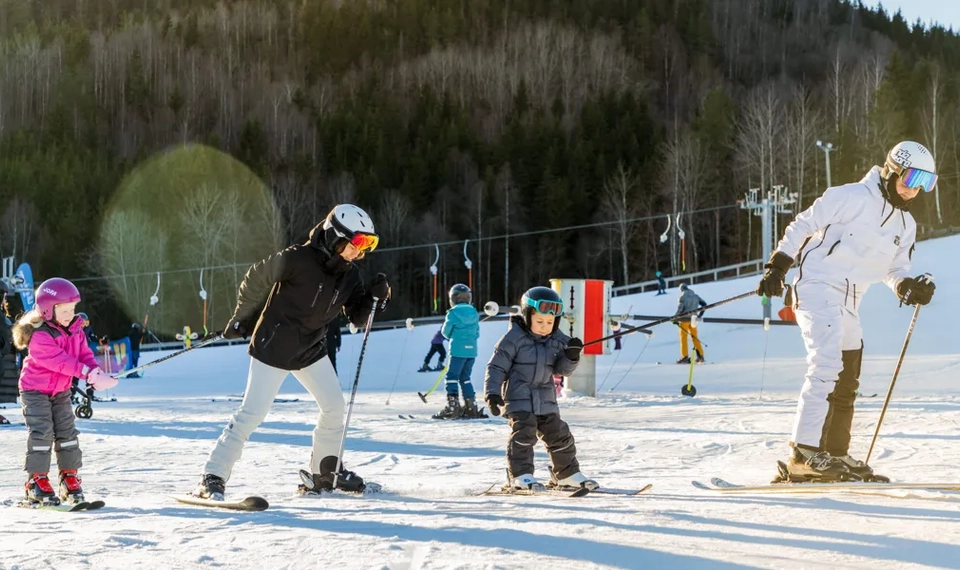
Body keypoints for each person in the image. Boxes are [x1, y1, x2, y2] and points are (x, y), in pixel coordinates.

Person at [756, 141, 936, 482]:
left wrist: (907, 287)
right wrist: (778, 266)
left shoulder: (905, 225)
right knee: (826, 363)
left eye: (925, 183)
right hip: (817, 286)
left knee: (848, 375)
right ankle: (803, 452)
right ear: (891, 169)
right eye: (910, 178)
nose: (914, 190)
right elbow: (802, 225)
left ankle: (835, 453)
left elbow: (894, 269)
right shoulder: (850, 196)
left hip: (851, 299)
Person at [193, 204, 391, 500]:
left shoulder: (349, 276)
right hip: (274, 346)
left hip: (310, 349)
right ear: (336, 237)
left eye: (368, 245)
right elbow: (255, 277)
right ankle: (213, 477)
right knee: (252, 413)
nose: (361, 252)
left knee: (334, 407)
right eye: (358, 243)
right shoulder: (298, 258)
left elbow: (357, 318)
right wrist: (241, 317)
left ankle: (325, 474)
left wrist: (378, 299)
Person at [13, 278, 118, 505]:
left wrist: (96, 372)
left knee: (67, 433)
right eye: (64, 310)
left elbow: (84, 355)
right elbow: (60, 362)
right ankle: (36, 480)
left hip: (60, 392)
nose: (70, 314)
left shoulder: (76, 331)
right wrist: (84, 373)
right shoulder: (40, 335)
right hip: (35, 391)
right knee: (42, 433)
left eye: (72, 309)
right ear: (48, 310)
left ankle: (68, 476)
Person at [484, 286, 595, 491]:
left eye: (550, 322)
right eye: (540, 321)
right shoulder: (512, 340)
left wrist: (572, 356)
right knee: (524, 434)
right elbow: (496, 366)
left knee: (559, 434)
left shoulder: (557, 340)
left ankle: (566, 474)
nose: (545, 327)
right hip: (518, 398)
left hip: (545, 399)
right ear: (527, 317)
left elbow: (562, 370)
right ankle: (520, 475)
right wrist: (492, 393)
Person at [435, 284, 481, 419]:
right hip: (471, 352)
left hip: (458, 351)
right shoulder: (474, 312)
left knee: (451, 377)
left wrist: (452, 336)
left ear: (453, 299)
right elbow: (477, 333)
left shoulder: (453, 313)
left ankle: (452, 406)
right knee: (465, 377)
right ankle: (471, 406)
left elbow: (445, 331)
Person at [674, 283, 707, 364]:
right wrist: (700, 315)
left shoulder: (682, 297)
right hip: (693, 319)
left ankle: (684, 356)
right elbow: (704, 304)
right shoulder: (695, 296)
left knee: (683, 338)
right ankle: (700, 355)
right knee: (695, 337)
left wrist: (675, 318)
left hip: (684, 319)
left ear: (681, 289)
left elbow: (680, 309)